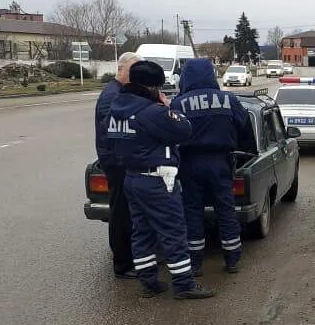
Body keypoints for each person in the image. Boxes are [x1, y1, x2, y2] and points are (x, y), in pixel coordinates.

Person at [106, 60, 214, 300]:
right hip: (158, 180)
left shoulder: (116, 107)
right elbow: (184, 130)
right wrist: (167, 107)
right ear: (154, 87)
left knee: (142, 232)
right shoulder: (152, 111)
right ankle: (184, 284)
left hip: (132, 178)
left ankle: (148, 281)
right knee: (174, 232)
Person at [171, 58, 256, 275]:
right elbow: (245, 127)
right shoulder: (228, 99)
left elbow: (169, 135)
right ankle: (232, 259)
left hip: (189, 162)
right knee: (225, 209)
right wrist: (247, 152)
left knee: (192, 211)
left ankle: (195, 262)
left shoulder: (179, 103)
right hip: (221, 161)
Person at [94, 51, 141, 278]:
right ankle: (122, 264)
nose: (135, 76)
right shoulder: (112, 95)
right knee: (121, 213)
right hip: (116, 162)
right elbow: (112, 133)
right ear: (121, 69)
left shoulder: (121, 92)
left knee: (130, 212)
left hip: (123, 160)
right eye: (132, 71)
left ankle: (132, 257)